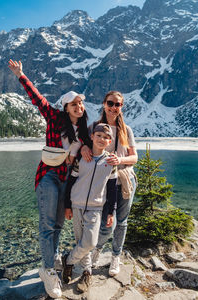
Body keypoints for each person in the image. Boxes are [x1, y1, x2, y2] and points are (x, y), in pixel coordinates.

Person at [8, 59, 91, 299]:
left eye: (81, 104)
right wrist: (21, 75)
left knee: (58, 224)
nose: (79, 107)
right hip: (48, 175)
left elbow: (94, 145)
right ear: (66, 107)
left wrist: (85, 148)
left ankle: (52, 258)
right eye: (74, 104)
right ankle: (47, 270)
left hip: (67, 180)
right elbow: (38, 99)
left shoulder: (84, 132)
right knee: (46, 225)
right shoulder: (54, 119)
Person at [81, 91, 138, 276]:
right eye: (111, 103)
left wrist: (119, 160)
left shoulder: (125, 130)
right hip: (102, 183)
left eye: (118, 105)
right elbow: (82, 145)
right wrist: (83, 147)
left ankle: (115, 257)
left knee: (121, 222)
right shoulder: (93, 127)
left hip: (124, 180)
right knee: (105, 222)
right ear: (104, 104)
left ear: (121, 107)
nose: (114, 108)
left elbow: (134, 157)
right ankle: (96, 249)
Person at [62, 123, 117, 293]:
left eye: (106, 137)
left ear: (109, 141)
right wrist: (67, 206)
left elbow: (112, 189)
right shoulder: (81, 158)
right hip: (77, 205)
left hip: (96, 208)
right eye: (98, 135)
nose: (101, 139)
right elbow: (71, 182)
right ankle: (87, 272)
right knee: (81, 242)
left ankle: (68, 260)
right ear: (92, 137)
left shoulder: (110, 162)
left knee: (90, 242)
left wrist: (111, 212)